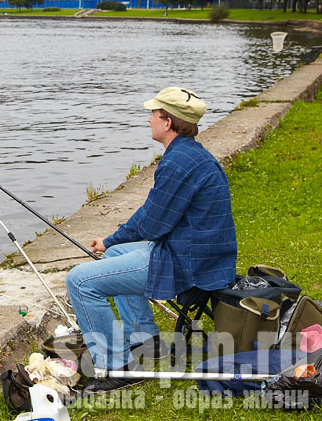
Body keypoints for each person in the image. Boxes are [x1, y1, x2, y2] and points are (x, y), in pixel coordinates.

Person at [66, 87, 237, 393]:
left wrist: (108, 239)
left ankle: (118, 368)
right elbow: (152, 215)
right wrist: (112, 241)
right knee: (116, 251)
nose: (149, 120)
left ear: (168, 122)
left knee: (80, 281)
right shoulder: (189, 154)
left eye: (154, 114)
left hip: (189, 265)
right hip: (200, 255)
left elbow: (152, 225)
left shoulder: (178, 163)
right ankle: (145, 339)